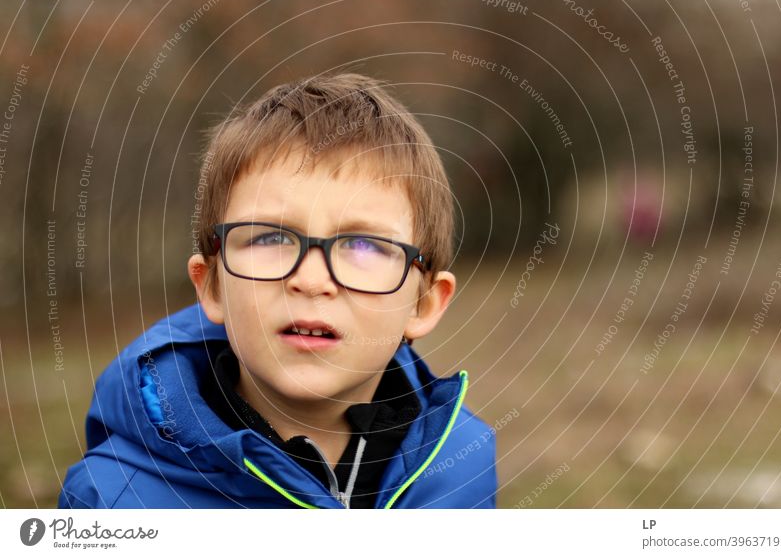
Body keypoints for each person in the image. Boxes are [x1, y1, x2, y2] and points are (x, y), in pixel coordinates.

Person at [58, 72, 497, 508]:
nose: (310, 279)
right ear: (210, 286)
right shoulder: (112, 499)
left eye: (363, 245)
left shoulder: (462, 470)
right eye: (269, 238)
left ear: (423, 303)